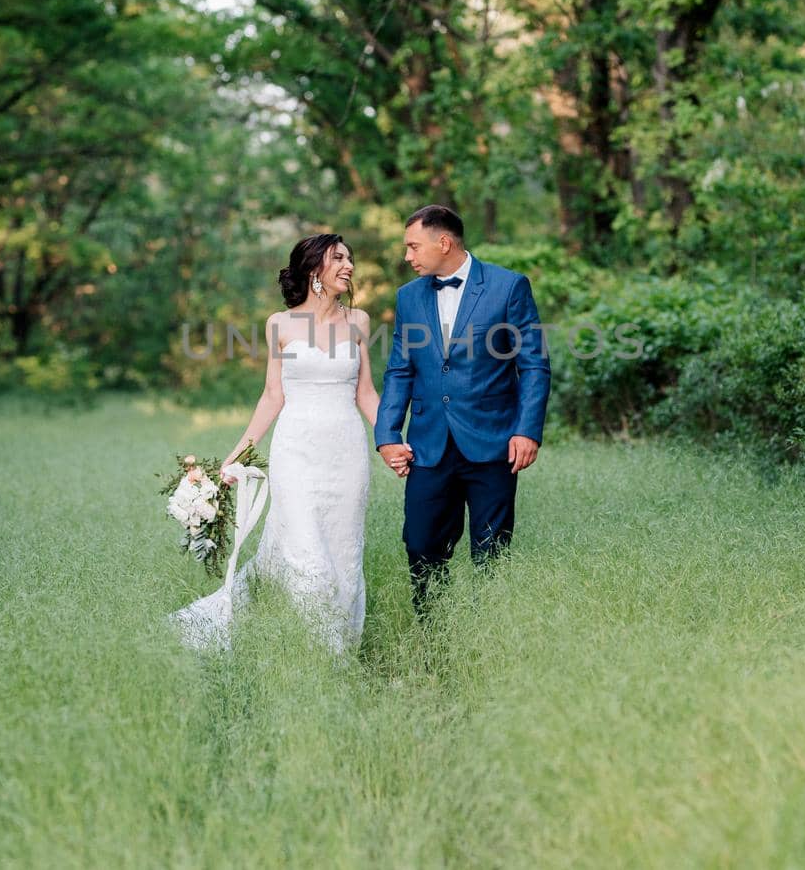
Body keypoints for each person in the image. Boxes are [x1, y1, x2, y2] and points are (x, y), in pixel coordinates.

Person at [169, 233, 378, 654]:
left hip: (346, 455)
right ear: (313, 269)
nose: (349, 266)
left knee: (341, 555)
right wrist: (235, 457)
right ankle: (319, 651)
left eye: (350, 259)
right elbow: (272, 396)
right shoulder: (280, 324)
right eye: (339, 258)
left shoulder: (359, 322)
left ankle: (341, 651)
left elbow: (367, 394)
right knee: (307, 557)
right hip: (296, 454)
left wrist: (394, 443)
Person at [374, 205, 550, 614]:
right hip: (429, 445)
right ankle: (435, 636)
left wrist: (527, 430)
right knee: (420, 544)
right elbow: (400, 370)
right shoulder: (408, 298)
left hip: (494, 443)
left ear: (444, 242)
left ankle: (488, 638)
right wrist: (387, 435)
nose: (407, 256)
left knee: (491, 552)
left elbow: (534, 364)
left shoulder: (508, 287)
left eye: (413, 246)